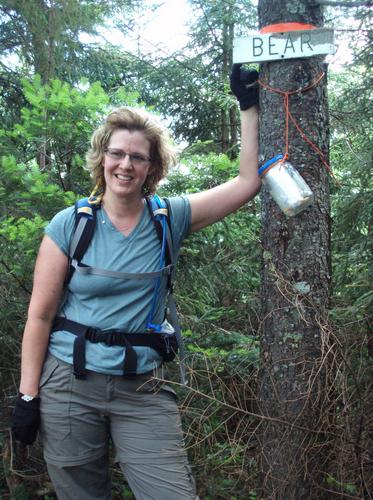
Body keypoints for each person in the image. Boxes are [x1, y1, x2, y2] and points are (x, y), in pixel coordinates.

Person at [10, 64, 260, 500]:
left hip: (142, 388)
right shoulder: (70, 225)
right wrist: (27, 396)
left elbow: (247, 182)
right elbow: (40, 314)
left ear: (152, 166)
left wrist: (249, 107)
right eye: (117, 153)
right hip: (69, 384)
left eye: (137, 157)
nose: (125, 165)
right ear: (102, 158)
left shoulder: (171, 218)